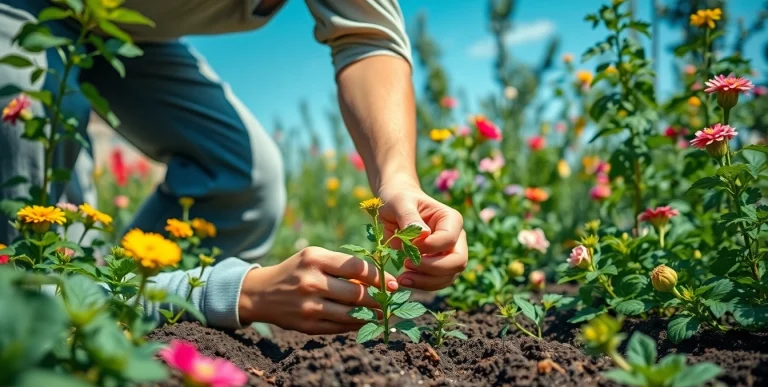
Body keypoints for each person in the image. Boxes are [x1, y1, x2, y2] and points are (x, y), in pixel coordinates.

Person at [0, 0, 468, 334]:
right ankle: (75, 311)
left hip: (129, 31)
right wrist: (239, 293)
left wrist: (398, 179)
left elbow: (368, 36)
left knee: (244, 180)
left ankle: (119, 305)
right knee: (32, 236)